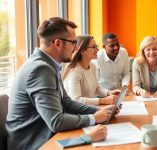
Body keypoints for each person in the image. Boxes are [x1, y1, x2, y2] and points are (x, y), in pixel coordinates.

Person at [5, 17, 115, 150]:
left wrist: (99, 111)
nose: (75, 48)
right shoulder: (40, 69)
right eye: (73, 43)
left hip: (48, 135)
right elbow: (56, 121)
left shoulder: (49, 65)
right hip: (34, 143)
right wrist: (93, 119)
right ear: (58, 43)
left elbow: (67, 102)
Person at [63, 35, 119, 105]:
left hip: (88, 109)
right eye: (94, 47)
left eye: (97, 46)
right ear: (83, 51)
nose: (98, 50)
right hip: (76, 113)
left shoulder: (92, 66)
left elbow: (96, 88)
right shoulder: (74, 71)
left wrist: (109, 93)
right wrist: (103, 100)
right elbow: (76, 100)